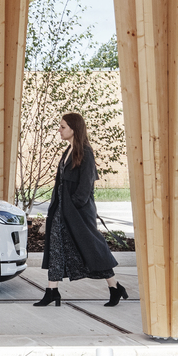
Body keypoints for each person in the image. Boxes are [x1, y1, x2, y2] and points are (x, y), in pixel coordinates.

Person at [32, 112, 128, 309]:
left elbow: (85, 188)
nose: (59, 130)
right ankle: (52, 291)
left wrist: (72, 207)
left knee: (92, 249)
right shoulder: (67, 151)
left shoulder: (86, 153)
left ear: (74, 129)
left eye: (63, 127)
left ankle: (115, 287)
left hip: (78, 213)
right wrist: (57, 209)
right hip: (60, 210)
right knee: (56, 249)